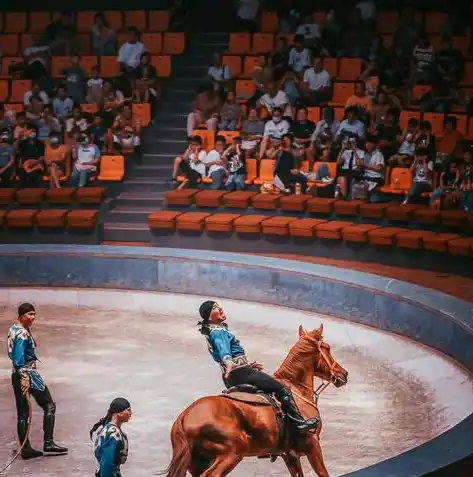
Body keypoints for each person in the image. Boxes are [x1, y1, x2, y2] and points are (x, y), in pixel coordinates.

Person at [198, 300, 319, 432]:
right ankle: (298, 422)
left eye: (218, 305)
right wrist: (228, 361)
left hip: (233, 375)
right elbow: (223, 349)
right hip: (241, 374)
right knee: (282, 389)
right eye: (215, 307)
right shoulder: (218, 331)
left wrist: (246, 364)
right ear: (209, 316)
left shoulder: (214, 330)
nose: (219, 308)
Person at [7, 303, 68, 460]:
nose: (32, 317)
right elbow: (19, 358)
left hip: (16, 375)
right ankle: (48, 442)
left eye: (34, 314)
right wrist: (25, 377)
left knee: (23, 413)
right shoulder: (21, 334)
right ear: (21, 315)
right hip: (28, 374)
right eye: (30, 314)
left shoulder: (13, 329)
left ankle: (25, 448)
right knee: (49, 405)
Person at [90, 397, 131, 477]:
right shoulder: (113, 434)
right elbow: (106, 463)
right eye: (128, 410)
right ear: (119, 413)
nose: (131, 413)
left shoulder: (109, 429)